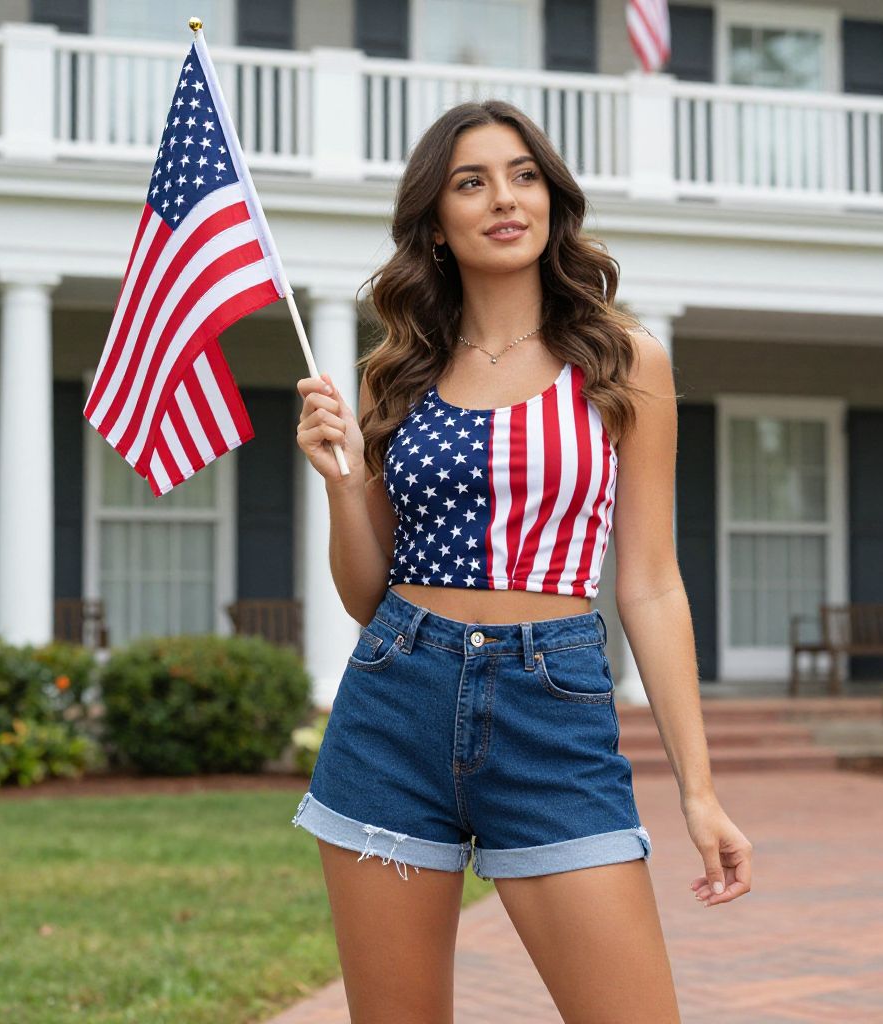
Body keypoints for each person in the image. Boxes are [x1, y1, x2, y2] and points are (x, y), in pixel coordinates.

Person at [291, 99, 752, 1023]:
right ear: (435, 222)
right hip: (393, 705)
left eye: (523, 175)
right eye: (472, 182)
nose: (504, 199)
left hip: (554, 708)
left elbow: (652, 582)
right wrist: (342, 487)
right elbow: (365, 595)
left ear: (551, 199)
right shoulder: (398, 373)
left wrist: (698, 792)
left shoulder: (624, 360)